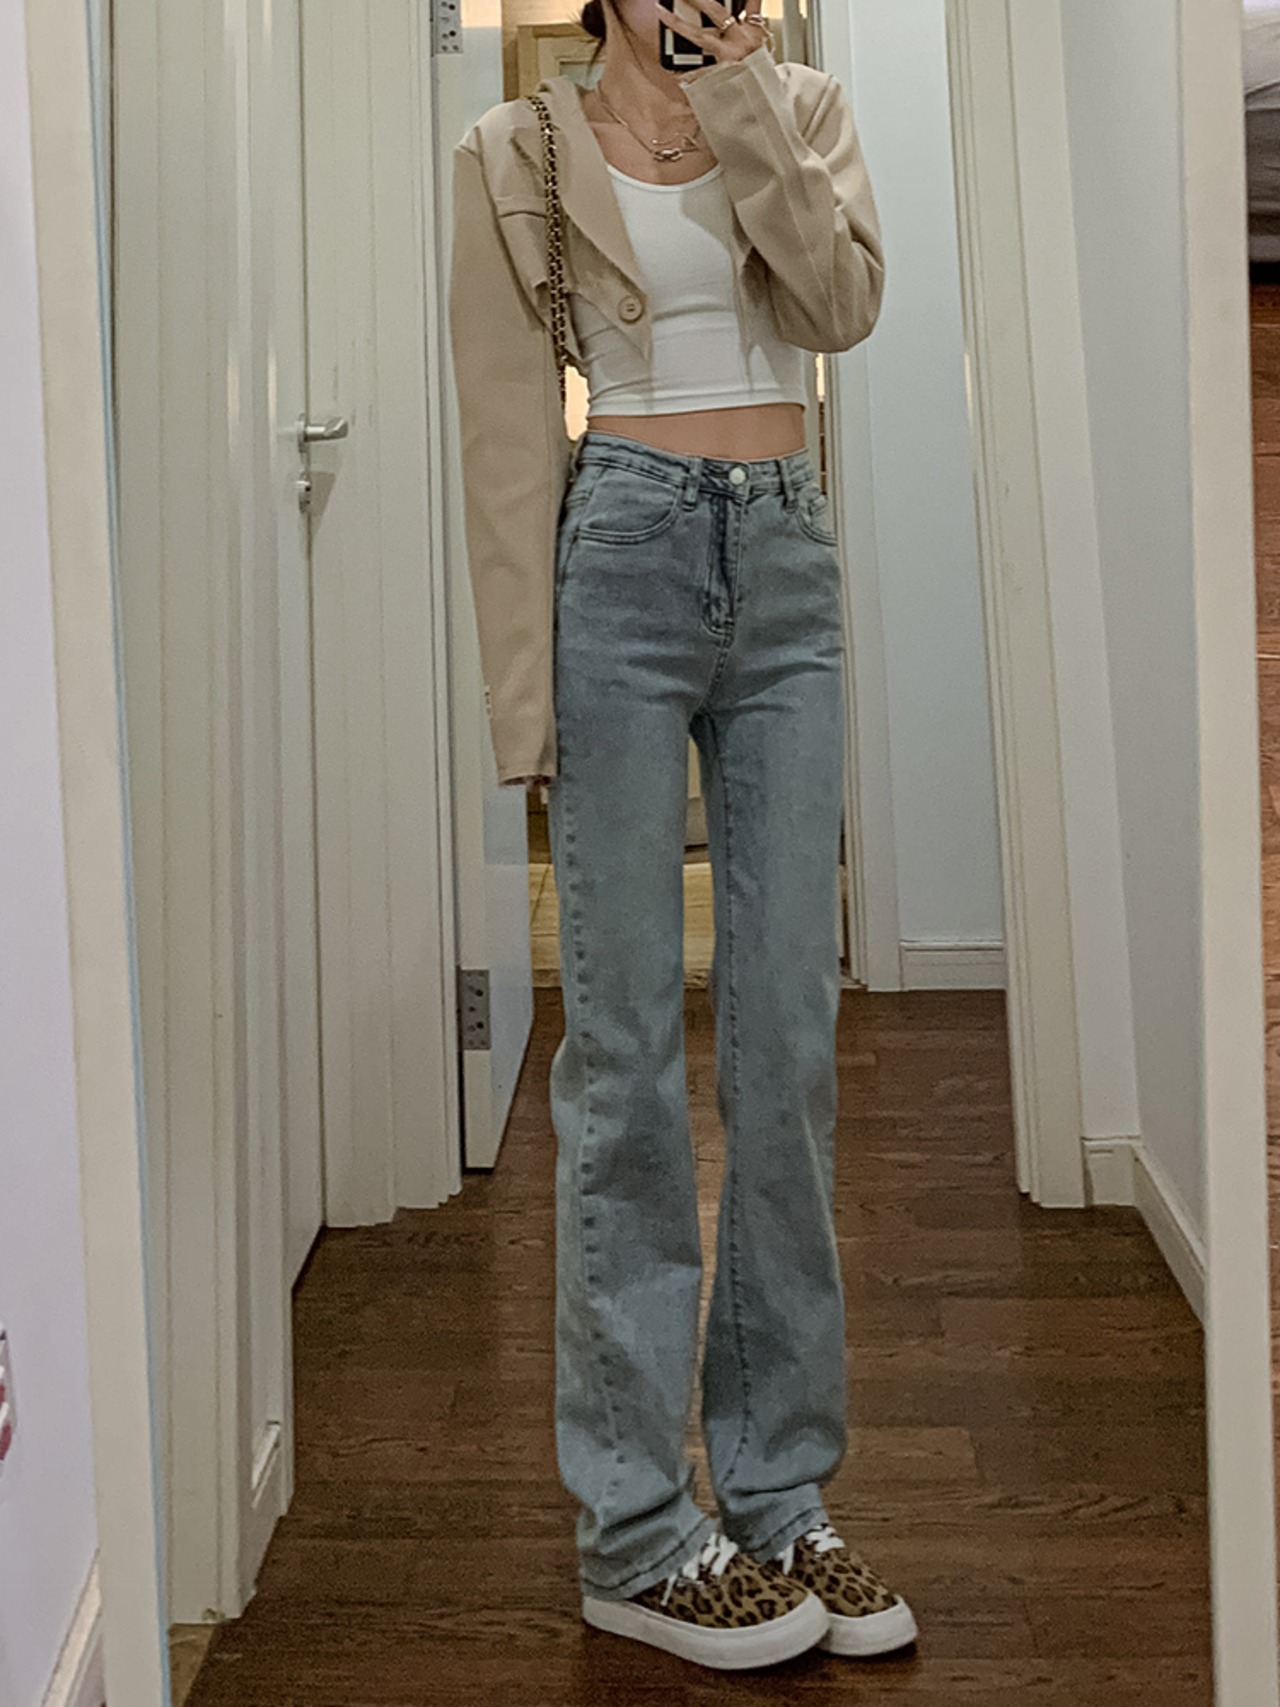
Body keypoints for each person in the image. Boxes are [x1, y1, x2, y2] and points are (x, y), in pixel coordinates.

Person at [448, 0, 918, 1672]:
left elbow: (840, 310)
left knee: (787, 1044)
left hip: (784, 556)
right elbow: (507, 442)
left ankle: (782, 1494)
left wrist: (745, 108)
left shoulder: (803, 106)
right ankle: (640, 1529)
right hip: (625, 555)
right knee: (629, 1058)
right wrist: (523, 713)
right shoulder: (514, 148)